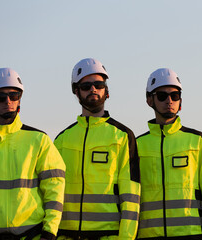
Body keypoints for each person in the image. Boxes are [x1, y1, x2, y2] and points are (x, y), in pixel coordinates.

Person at [54, 58, 140, 240]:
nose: (93, 89)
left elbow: (131, 196)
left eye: (98, 84)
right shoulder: (61, 140)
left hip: (108, 235)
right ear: (76, 92)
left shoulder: (123, 136)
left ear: (106, 91)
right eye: (86, 86)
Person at [136, 68, 202, 239]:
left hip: (192, 235)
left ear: (181, 101)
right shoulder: (137, 145)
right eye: (162, 96)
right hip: (148, 235)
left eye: (175, 95)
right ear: (149, 100)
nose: (169, 100)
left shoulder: (198, 142)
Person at [0, 68, 66, 240]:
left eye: (14, 96)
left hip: (32, 236)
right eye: (1, 97)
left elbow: (55, 189)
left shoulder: (39, 140)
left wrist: (50, 232)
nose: (8, 101)